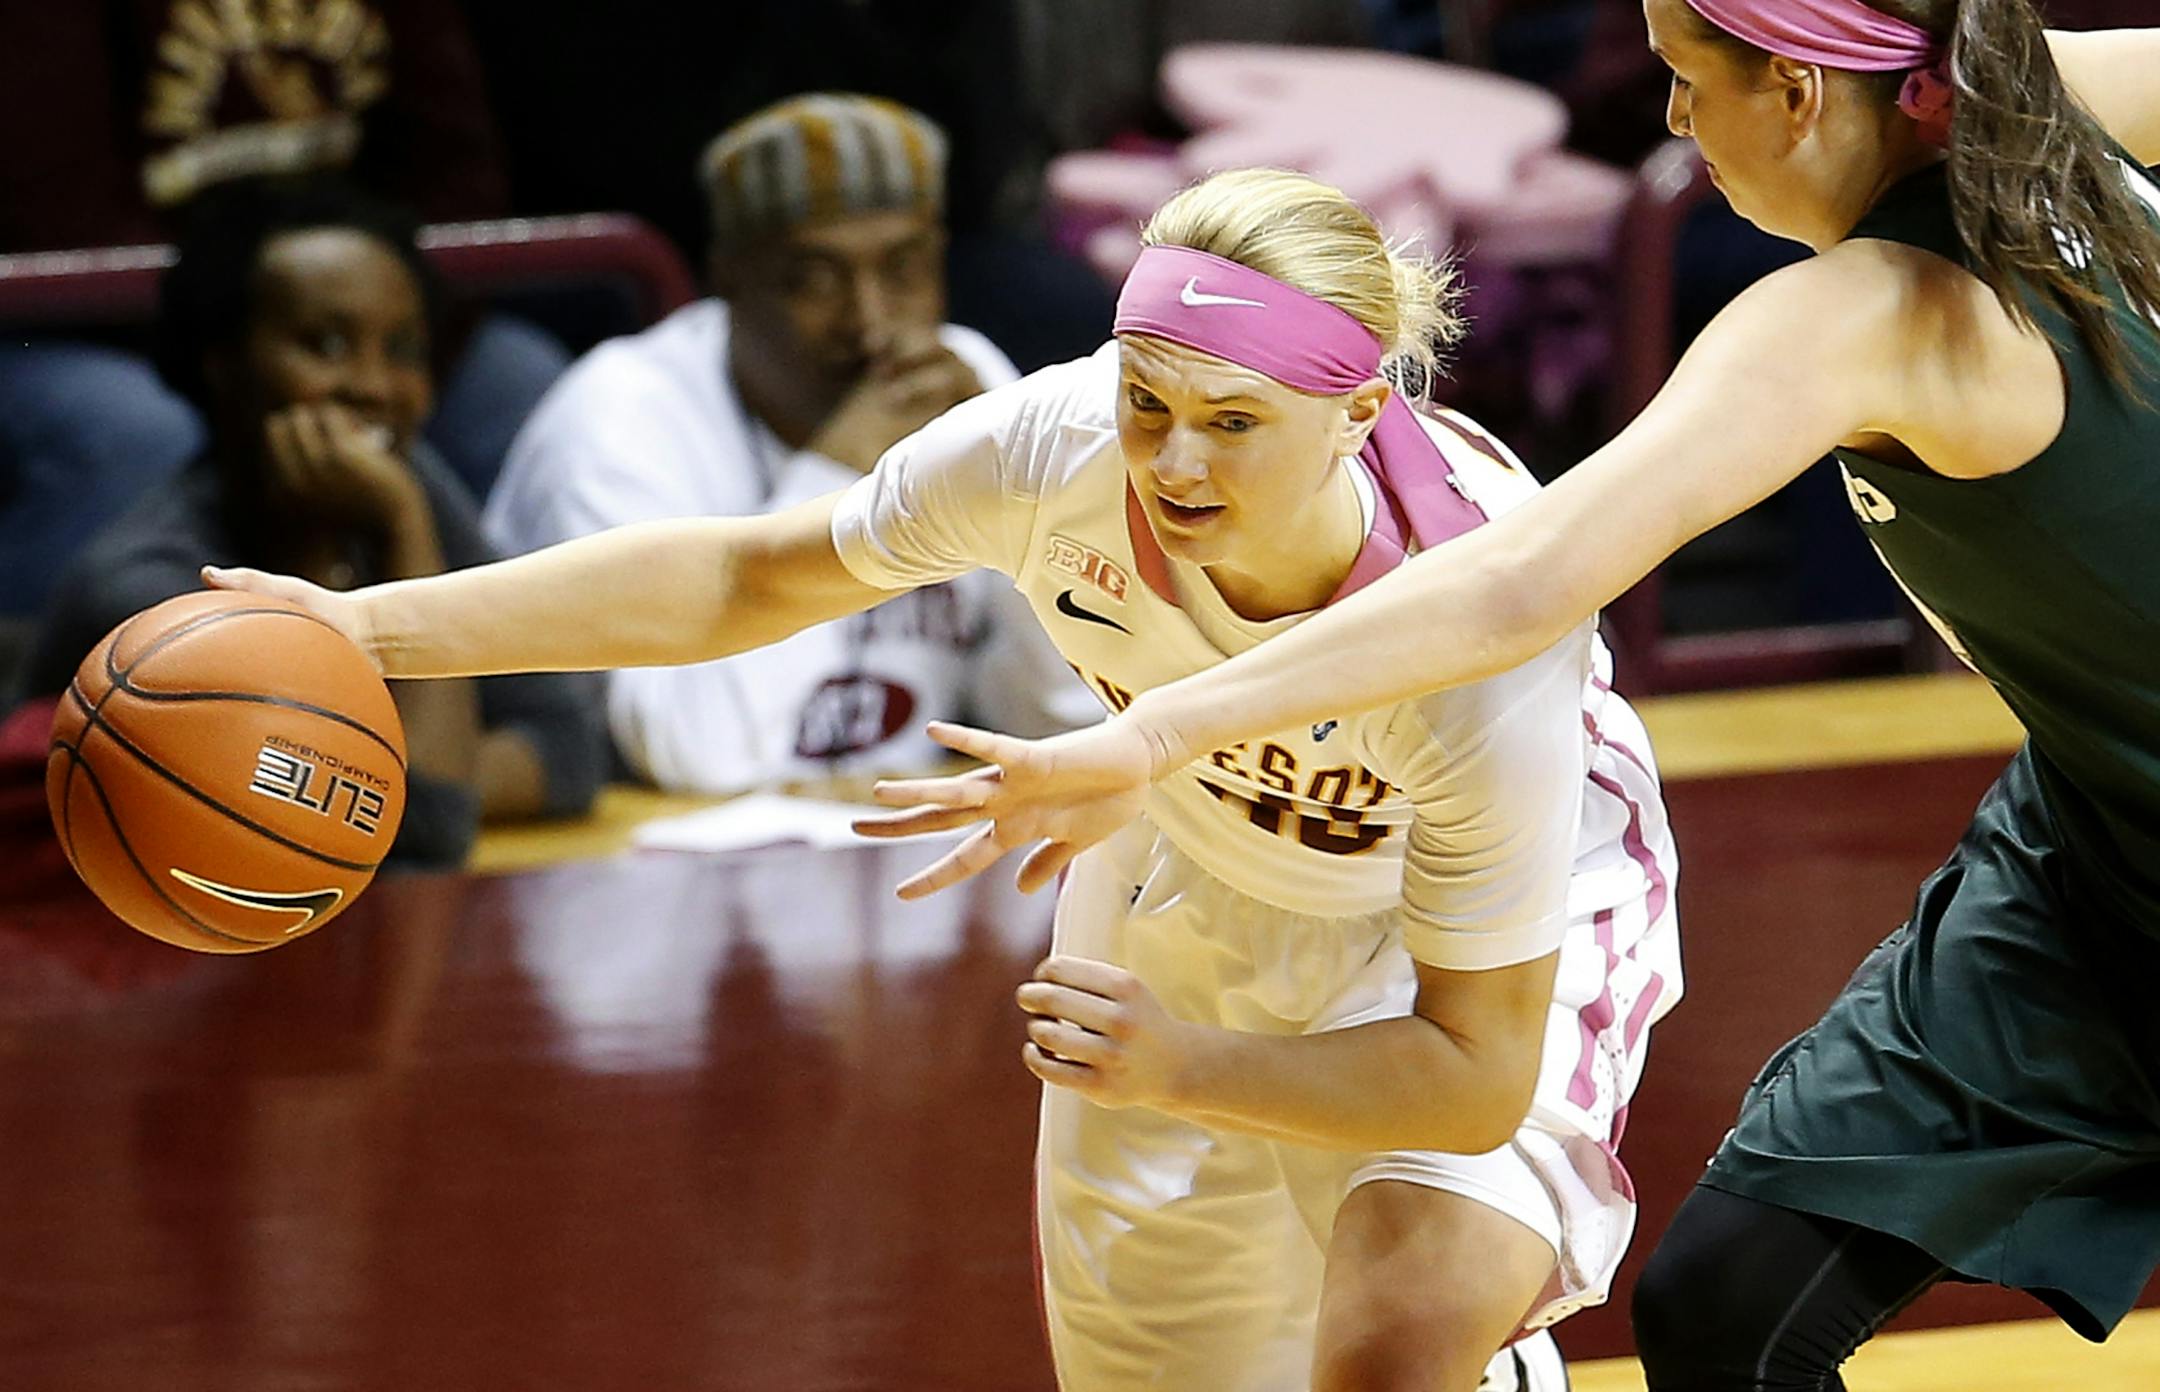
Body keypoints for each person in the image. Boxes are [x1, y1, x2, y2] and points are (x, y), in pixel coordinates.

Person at [844, 5, 2160, 1388]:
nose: (1670, 124)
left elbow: (1519, 582)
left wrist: (1157, 728)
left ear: (1793, 90)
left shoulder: (1866, 313)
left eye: (1682, 80)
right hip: (2086, 857)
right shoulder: (2021, 83)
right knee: (1726, 1308)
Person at [204, 167, 1684, 1392]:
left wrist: (1184, 1066)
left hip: (1476, 940)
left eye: (1234, 425)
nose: (1172, 462)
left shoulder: (1486, 621)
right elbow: (743, 577)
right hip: (1192, 870)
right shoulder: (1048, 447)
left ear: (1361, 414)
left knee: (1399, 1340)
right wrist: (360, 630)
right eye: (1149, 400)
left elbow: (1472, 1075)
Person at [483, 94, 1090, 794]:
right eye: (814, 280)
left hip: (881, 865)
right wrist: (838, 481)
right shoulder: (620, 422)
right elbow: (690, 757)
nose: (869, 321)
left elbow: (1065, 724)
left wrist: (1034, 518)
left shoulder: (965, 379)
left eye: (902, 270)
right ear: (729, 281)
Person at [18, 180, 603, 869]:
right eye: (326, 344)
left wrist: (404, 524)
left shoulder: (406, 492)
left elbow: (571, 746)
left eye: (404, 350)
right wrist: (404, 530)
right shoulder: (153, 591)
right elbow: (418, 833)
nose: (375, 386)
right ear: (224, 365)